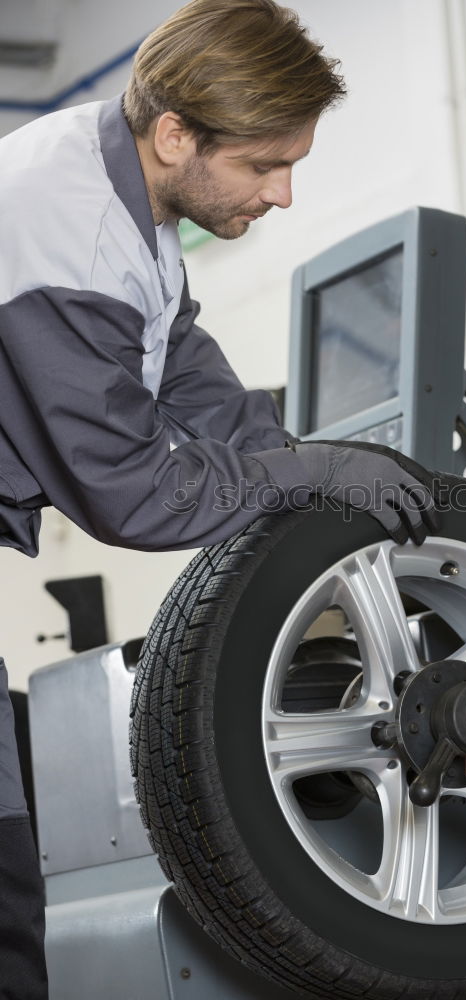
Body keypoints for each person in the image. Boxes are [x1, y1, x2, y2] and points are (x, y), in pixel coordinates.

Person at [0, 1, 436, 996]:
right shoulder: (63, 229)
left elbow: (184, 372)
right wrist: (316, 476)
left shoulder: (129, 203)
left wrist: (304, 472)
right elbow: (133, 493)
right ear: (174, 135)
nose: (283, 193)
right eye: (262, 165)